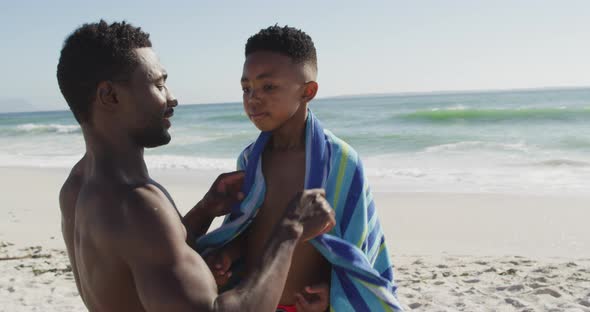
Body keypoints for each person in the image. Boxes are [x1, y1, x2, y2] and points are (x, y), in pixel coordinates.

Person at [57, 20, 335, 312]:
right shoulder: (135, 204)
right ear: (110, 96)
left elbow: (141, 256)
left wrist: (206, 210)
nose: (172, 97)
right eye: (158, 84)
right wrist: (289, 230)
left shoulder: (76, 186)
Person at [198, 25, 403, 311]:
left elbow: (356, 248)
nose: (253, 97)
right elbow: (248, 229)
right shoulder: (250, 160)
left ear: (308, 91)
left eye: (268, 86)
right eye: (246, 88)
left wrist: (334, 291)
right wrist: (228, 254)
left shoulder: (341, 161)